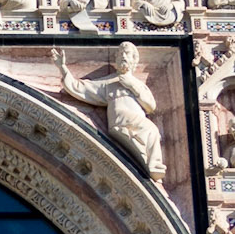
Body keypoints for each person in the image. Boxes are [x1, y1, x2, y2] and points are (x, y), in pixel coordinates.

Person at [53, 44, 166, 180]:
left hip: (135, 118)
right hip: (120, 117)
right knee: (151, 129)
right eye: (120, 54)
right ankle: (153, 164)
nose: (123, 56)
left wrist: (132, 86)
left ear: (134, 60)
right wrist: (63, 68)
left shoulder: (138, 84)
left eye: (127, 53)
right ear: (116, 59)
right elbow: (82, 88)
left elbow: (150, 106)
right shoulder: (110, 82)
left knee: (152, 131)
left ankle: (153, 164)